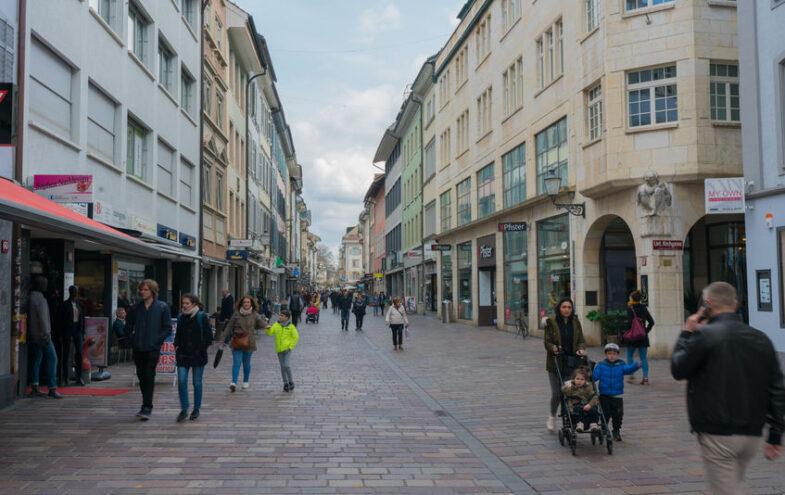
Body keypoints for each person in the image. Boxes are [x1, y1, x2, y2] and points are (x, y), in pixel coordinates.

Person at [671, 282, 785, 495]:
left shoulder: (704, 336)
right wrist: (776, 434)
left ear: (708, 304)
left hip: (717, 431)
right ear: (734, 305)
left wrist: (687, 332)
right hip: (752, 433)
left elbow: (678, 368)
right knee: (731, 486)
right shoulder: (760, 338)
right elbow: (777, 388)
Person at [126, 279, 172, 420]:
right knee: (141, 375)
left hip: (153, 347)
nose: (142, 292)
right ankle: (145, 403)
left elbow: (167, 328)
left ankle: (147, 406)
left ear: (152, 291)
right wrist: (133, 340)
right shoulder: (135, 308)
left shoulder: (162, 307)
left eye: (145, 289)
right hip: (138, 347)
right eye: (141, 289)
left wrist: (157, 340)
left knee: (149, 375)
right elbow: (127, 327)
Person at [543, 297, 587, 432]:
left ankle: (571, 417)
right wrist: (553, 348)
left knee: (571, 392)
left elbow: (580, 339)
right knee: (557, 393)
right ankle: (552, 416)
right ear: (559, 308)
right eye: (564, 307)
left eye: (569, 307)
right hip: (556, 362)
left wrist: (581, 348)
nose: (567, 310)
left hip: (572, 363)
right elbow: (547, 341)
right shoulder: (551, 322)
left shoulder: (575, 321)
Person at [173, 294, 212, 422]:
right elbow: (178, 334)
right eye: (183, 303)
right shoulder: (180, 317)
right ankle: (184, 409)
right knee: (182, 380)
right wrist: (176, 346)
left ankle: (196, 408)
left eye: (187, 303)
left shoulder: (202, 317)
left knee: (196, 382)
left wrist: (201, 349)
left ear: (194, 304)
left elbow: (208, 336)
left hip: (197, 355)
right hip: (183, 354)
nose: (184, 305)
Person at [217, 295, 268, 392]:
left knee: (246, 363)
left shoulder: (254, 314)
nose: (246, 304)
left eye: (248, 302)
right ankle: (234, 382)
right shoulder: (236, 314)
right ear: (241, 303)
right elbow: (229, 327)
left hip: (249, 342)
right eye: (245, 302)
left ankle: (245, 381)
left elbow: (262, 323)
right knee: (236, 362)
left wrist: (268, 326)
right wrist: (223, 338)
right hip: (237, 341)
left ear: (251, 303)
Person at [593, 343, 641, 441]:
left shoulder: (621, 364)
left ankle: (616, 431)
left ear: (617, 355)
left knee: (618, 414)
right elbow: (595, 377)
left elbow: (628, 369)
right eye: (609, 353)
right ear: (605, 354)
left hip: (617, 395)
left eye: (614, 354)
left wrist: (636, 365)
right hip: (604, 395)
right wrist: (590, 373)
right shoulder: (601, 365)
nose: (612, 356)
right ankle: (604, 428)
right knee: (604, 413)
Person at [28, 276, 62, 399]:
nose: (46, 285)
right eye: (44, 283)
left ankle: (35, 386)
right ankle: (52, 388)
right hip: (43, 335)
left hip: (33, 334)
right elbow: (43, 319)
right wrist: (46, 333)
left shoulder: (30, 297)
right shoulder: (41, 300)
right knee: (53, 359)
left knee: (37, 359)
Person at [625, 290, 655, 385]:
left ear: (632, 298)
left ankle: (632, 376)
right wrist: (645, 331)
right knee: (643, 358)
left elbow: (629, 323)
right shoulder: (644, 308)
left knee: (629, 356)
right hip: (643, 337)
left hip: (632, 337)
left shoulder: (630, 309)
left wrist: (626, 331)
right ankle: (645, 378)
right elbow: (652, 322)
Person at [266, 309, 300, 392]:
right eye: (280, 315)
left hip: (287, 350)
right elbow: (269, 333)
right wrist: (268, 328)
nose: (280, 317)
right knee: (282, 367)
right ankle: (285, 383)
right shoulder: (276, 325)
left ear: (287, 318)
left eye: (282, 316)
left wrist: (290, 347)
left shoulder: (291, 327)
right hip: (279, 350)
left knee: (287, 366)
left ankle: (291, 381)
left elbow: (296, 337)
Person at [59, 285, 85, 386]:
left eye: (76, 291)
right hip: (67, 330)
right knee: (66, 354)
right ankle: (65, 377)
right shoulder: (65, 305)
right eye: (73, 291)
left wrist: (83, 331)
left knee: (79, 353)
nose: (75, 293)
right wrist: (61, 334)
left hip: (77, 329)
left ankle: (79, 376)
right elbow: (60, 320)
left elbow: (82, 318)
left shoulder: (80, 304)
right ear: (70, 292)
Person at [561, 368, 600, 433]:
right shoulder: (570, 388)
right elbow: (569, 399)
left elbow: (594, 397)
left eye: (582, 379)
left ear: (585, 381)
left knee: (594, 410)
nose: (579, 381)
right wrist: (570, 408)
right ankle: (579, 423)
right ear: (573, 379)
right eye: (577, 379)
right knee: (576, 410)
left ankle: (593, 424)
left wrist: (590, 404)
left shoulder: (588, 388)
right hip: (576, 405)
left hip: (587, 404)